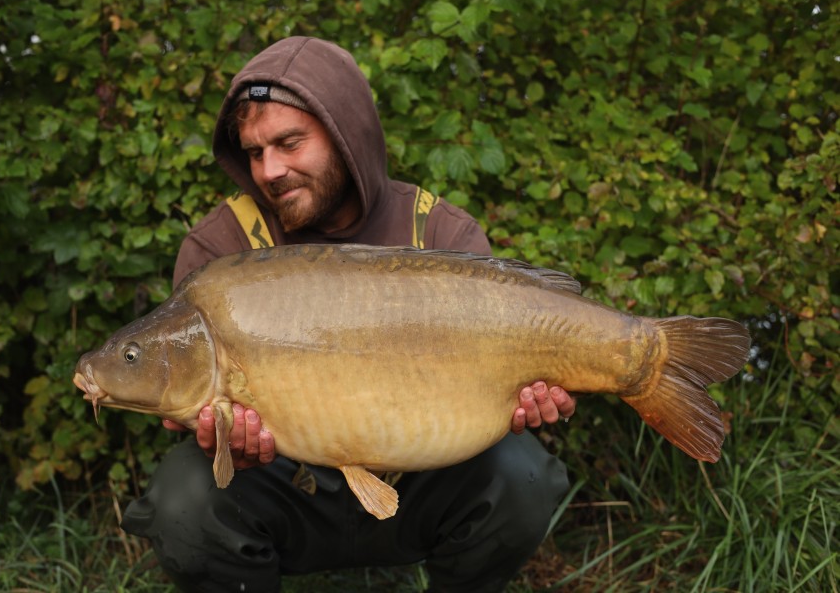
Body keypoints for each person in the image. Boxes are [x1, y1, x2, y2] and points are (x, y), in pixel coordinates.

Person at [121, 36, 575, 593]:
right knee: (182, 501)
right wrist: (223, 440)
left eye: (289, 143)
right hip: (282, 485)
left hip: (424, 478)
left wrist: (531, 395)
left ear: (345, 134)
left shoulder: (439, 232)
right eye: (255, 152)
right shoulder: (220, 250)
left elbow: (510, 380)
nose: (270, 170)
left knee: (521, 474)